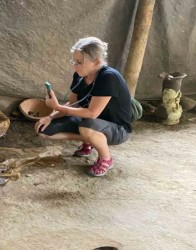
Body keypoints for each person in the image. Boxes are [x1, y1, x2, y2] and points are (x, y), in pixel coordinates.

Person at [35, 37, 132, 177]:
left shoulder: (108, 77)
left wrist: (57, 107)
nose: (74, 65)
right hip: (90, 123)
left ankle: (106, 159)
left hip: (117, 129)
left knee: (87, 126)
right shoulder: (80, 75)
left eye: (79, 62)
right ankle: (89, 140)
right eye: (73, 61)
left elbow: (92, 113)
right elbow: (72, 104)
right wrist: (50, 117)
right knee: (44, 130)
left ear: (97, 62)